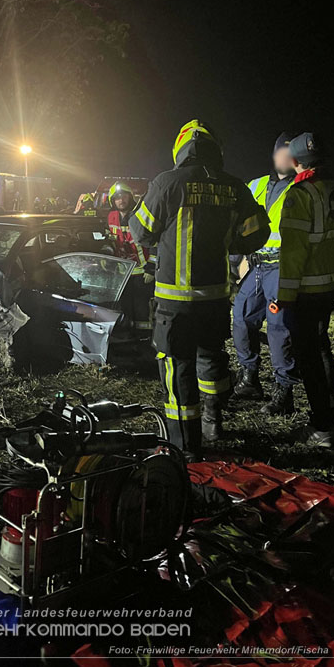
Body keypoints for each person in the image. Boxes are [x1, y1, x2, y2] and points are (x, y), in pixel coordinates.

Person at [129, 120, 270, 458]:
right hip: (215, 299)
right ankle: (213, 418)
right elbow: (258, 232)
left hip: (175, 303)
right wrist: (230, 241)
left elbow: (142, 232)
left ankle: (186, 448)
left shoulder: (167, 182)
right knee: (210, 357)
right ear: (214, 149)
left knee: (178, 369)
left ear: (180, 149)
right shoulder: (234, 186)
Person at [276, 132, 334, 449]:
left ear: (294, 160)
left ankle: (324, 427)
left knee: (311, 357)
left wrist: (284, 298)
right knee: (321, 350)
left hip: (305, 291)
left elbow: (293, 255)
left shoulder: (300, 194)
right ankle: (327, 420)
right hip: (331, 285)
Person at [232, 133, 299, 414]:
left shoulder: (302, 187)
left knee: (279, 328)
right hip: (255, 265)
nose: (282, 156)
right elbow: (238, 221)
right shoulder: (256, 184)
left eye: (288, 151)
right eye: (279, 151)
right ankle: (250, 379)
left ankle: (283, 392)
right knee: (242, 318)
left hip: (283, 267)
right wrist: (236, 259)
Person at [108, 181, 155, 334]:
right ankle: (129, 338)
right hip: (123, 274)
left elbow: (154, 242)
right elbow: (110, 241)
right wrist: (106, 256)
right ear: (113, 201)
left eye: (124, 196)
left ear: (130, 197)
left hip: (142, 273)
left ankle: (144, 340)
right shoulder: (111, 217)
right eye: (117, 198)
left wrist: (151, 268)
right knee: (126, 308)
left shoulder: (140, 215)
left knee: (142, 309)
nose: (121, 200)